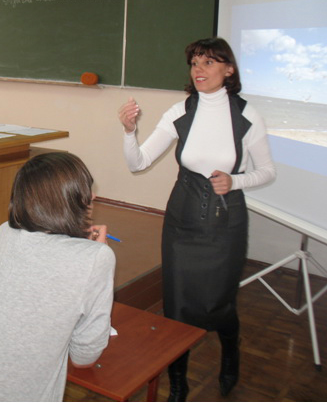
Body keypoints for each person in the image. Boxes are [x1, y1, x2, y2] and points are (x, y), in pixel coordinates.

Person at [118, 37, 276, 401]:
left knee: (220, 302)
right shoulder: (180, 112)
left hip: (226, 225)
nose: (199, 70)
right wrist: (129, 131)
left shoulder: (247, 116)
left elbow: (267, 171)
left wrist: (236, 181)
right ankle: (178, 382)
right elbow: (138, 162)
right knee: (177, 306)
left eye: (208, 62)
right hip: (182, 224)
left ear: (228, 69)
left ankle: (231, 352)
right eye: (194, 63)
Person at [0, 152, 115, 402]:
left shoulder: (4, 232)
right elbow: (84, 358)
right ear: (71, 199)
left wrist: (82, 247)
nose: (93, 196)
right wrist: (93, 253)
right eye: (87, 189)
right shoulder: (97, 257)